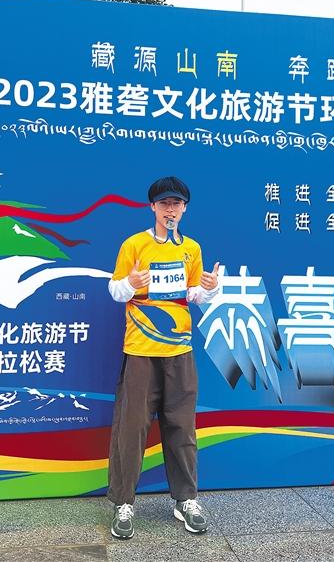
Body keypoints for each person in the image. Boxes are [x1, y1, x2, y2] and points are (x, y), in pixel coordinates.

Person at [106, 176, 220, 539]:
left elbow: (192, 295)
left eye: (177, 204)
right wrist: (131, 284)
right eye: (164, 203)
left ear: (184, 208)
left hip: (179, 351)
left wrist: (210, 290)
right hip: (141, 350)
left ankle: (186, 500)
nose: (171, 210)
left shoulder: (192, 249)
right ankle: (123, 503)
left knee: (182, 427)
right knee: (131, 428)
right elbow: (115, 290)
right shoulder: (134, 244)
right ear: (152, 207)